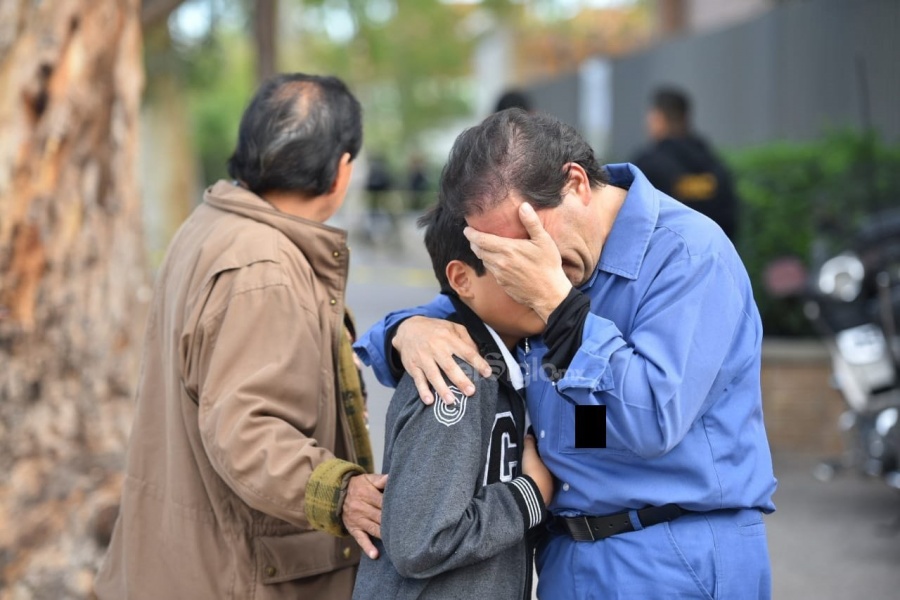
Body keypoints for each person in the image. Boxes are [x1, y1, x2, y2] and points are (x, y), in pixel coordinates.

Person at [354, 108, 777, 599]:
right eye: (501, 258)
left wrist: (559, 306)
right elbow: (429, 330)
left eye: (527, 244)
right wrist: (407, 330)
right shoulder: (531, 270)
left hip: (672, 555)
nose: (520, 270)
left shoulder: (688, 256)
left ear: (575, 183)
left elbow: (651, 421)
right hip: (565, 558)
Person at [95, 73, 387, 600]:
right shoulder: (264, 267)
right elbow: (245, 430)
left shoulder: (210, 225)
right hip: (231, 577)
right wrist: (339, 491)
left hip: (180, 563)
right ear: (342, 170)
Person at [352, 204, 552, 599]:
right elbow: (419, 541)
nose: (543, 277)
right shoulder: (457, 373)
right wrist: (531, 494)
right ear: (462, 278)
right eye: (515, 262)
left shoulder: (512, 361)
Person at [632, 86, 739, 242]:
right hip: (712, 255)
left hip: (665, 258)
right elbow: (730, 220)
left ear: (658, 119)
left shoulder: (647, 166)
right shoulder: (714, 165)